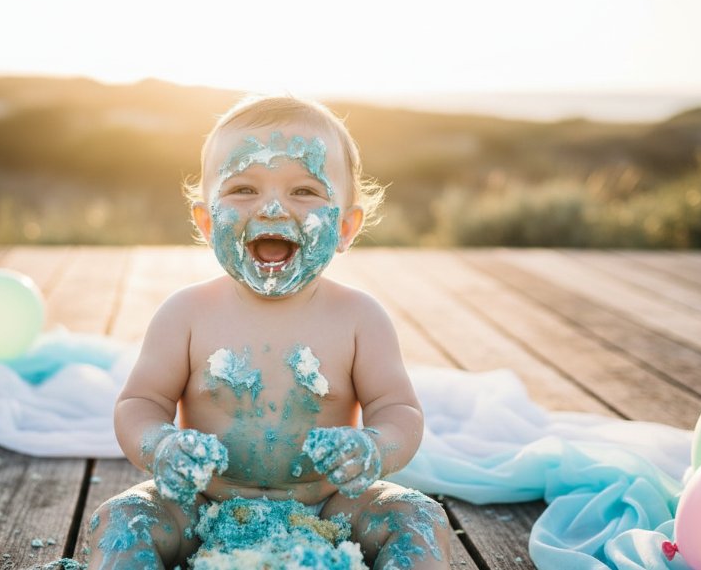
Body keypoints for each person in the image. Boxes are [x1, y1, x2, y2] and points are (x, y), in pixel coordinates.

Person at [86, 96, 451, 569]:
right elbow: (139, 404)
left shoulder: (360, 318)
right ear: (205, 220)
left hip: (329, 510)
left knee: (418, 517)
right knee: (121, 518)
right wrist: (162, 447)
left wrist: (374, 448)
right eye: (243, 189)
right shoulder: (186, 314)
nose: (275, 208)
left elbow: (398, 409)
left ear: (345, 226)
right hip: (202, 507)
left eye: (304, 191)